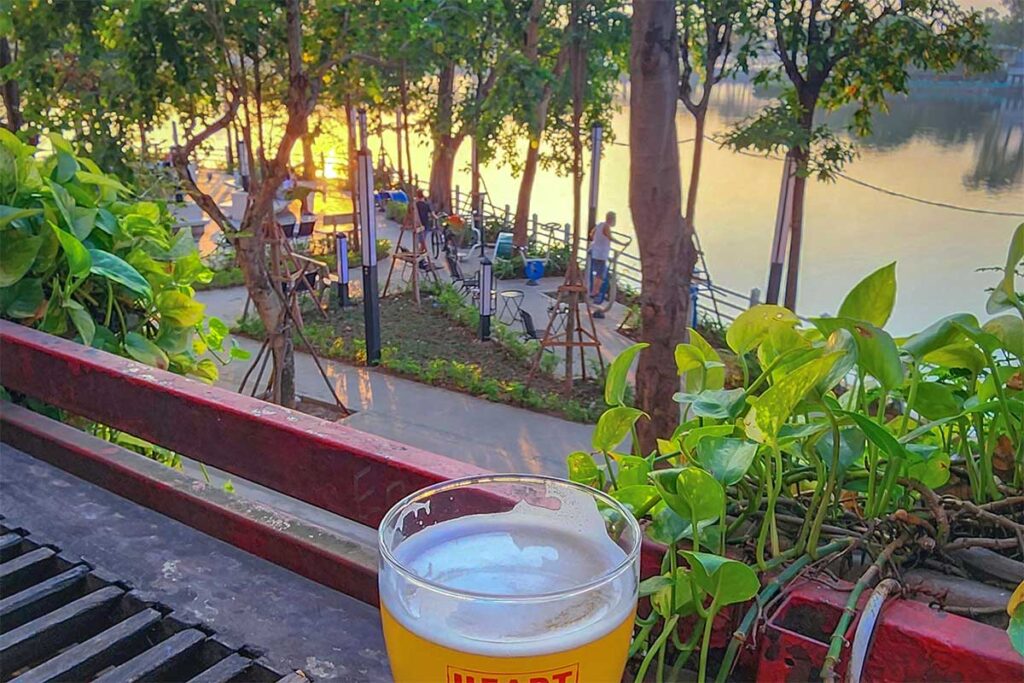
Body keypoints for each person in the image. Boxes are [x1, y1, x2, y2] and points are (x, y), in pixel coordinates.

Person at [589, 211, 615, 316]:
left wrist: (597, 241)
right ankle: (595, 292)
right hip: (601, 254)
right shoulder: (606, 226)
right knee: (601, 275)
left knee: (598, 274)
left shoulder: (599, 225)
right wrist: (622, 243)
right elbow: (610, 237)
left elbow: (591, 234)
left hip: (596, 252)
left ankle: (594, 291)